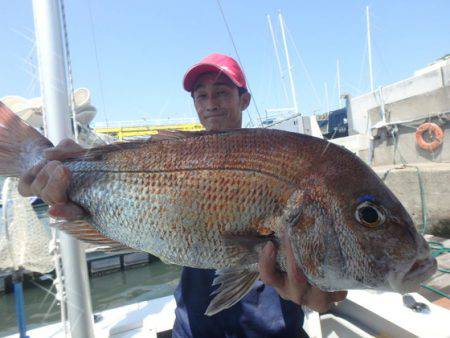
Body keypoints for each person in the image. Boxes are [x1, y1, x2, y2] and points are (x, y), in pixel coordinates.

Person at [18, 53, 347, 338]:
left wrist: (321, 288)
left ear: (243, 99)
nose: (211, 103)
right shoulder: (173, 156)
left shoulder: (279, 159)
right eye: (201, 96)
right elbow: (144, 223)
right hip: (194, 330)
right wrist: (75, 177)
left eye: (221, 92)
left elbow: (324, 285)